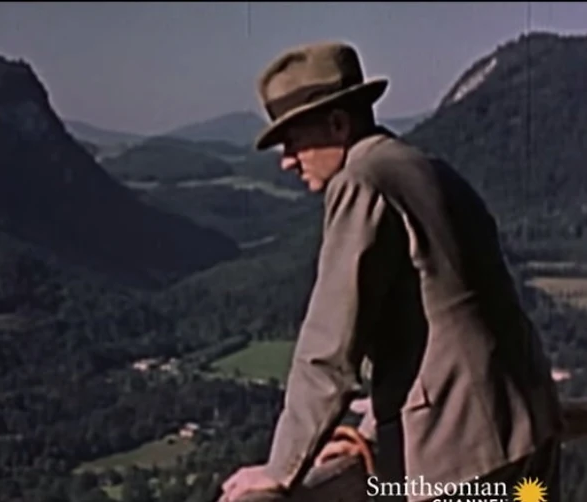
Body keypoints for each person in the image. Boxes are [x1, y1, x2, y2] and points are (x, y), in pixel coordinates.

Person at [218, 41, 565, 502]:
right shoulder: (431, 169)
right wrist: (372, 430)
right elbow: (438, 326)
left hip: (459, 462)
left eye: (293, 139)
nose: (286, 159)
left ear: (337, 124)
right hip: (530, 437)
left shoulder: (361, 181)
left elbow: (328, 348)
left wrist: (281, 468)